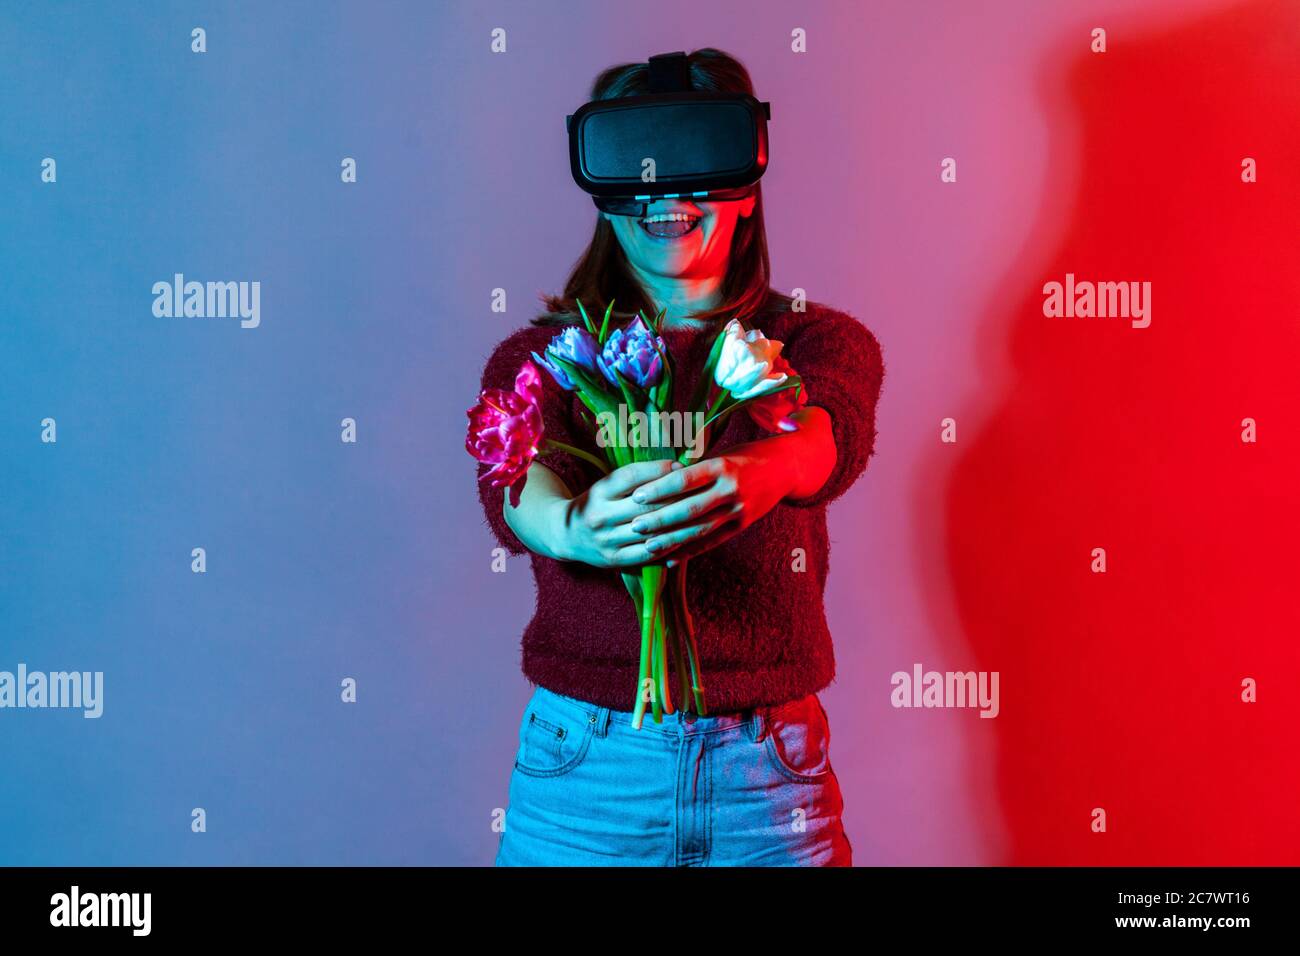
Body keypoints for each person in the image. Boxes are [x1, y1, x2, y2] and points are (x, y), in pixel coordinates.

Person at [475, 48, 884, 866]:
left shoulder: (813, 340)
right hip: (587, 768)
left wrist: (763, 473)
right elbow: (514, 474)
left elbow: (827, 434)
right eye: (638, 164)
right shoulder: (541, 355)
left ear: (746, 179)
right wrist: (573, 527)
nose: (665, 192)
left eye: (696, 161)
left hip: (769, 778)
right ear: (601, 186)